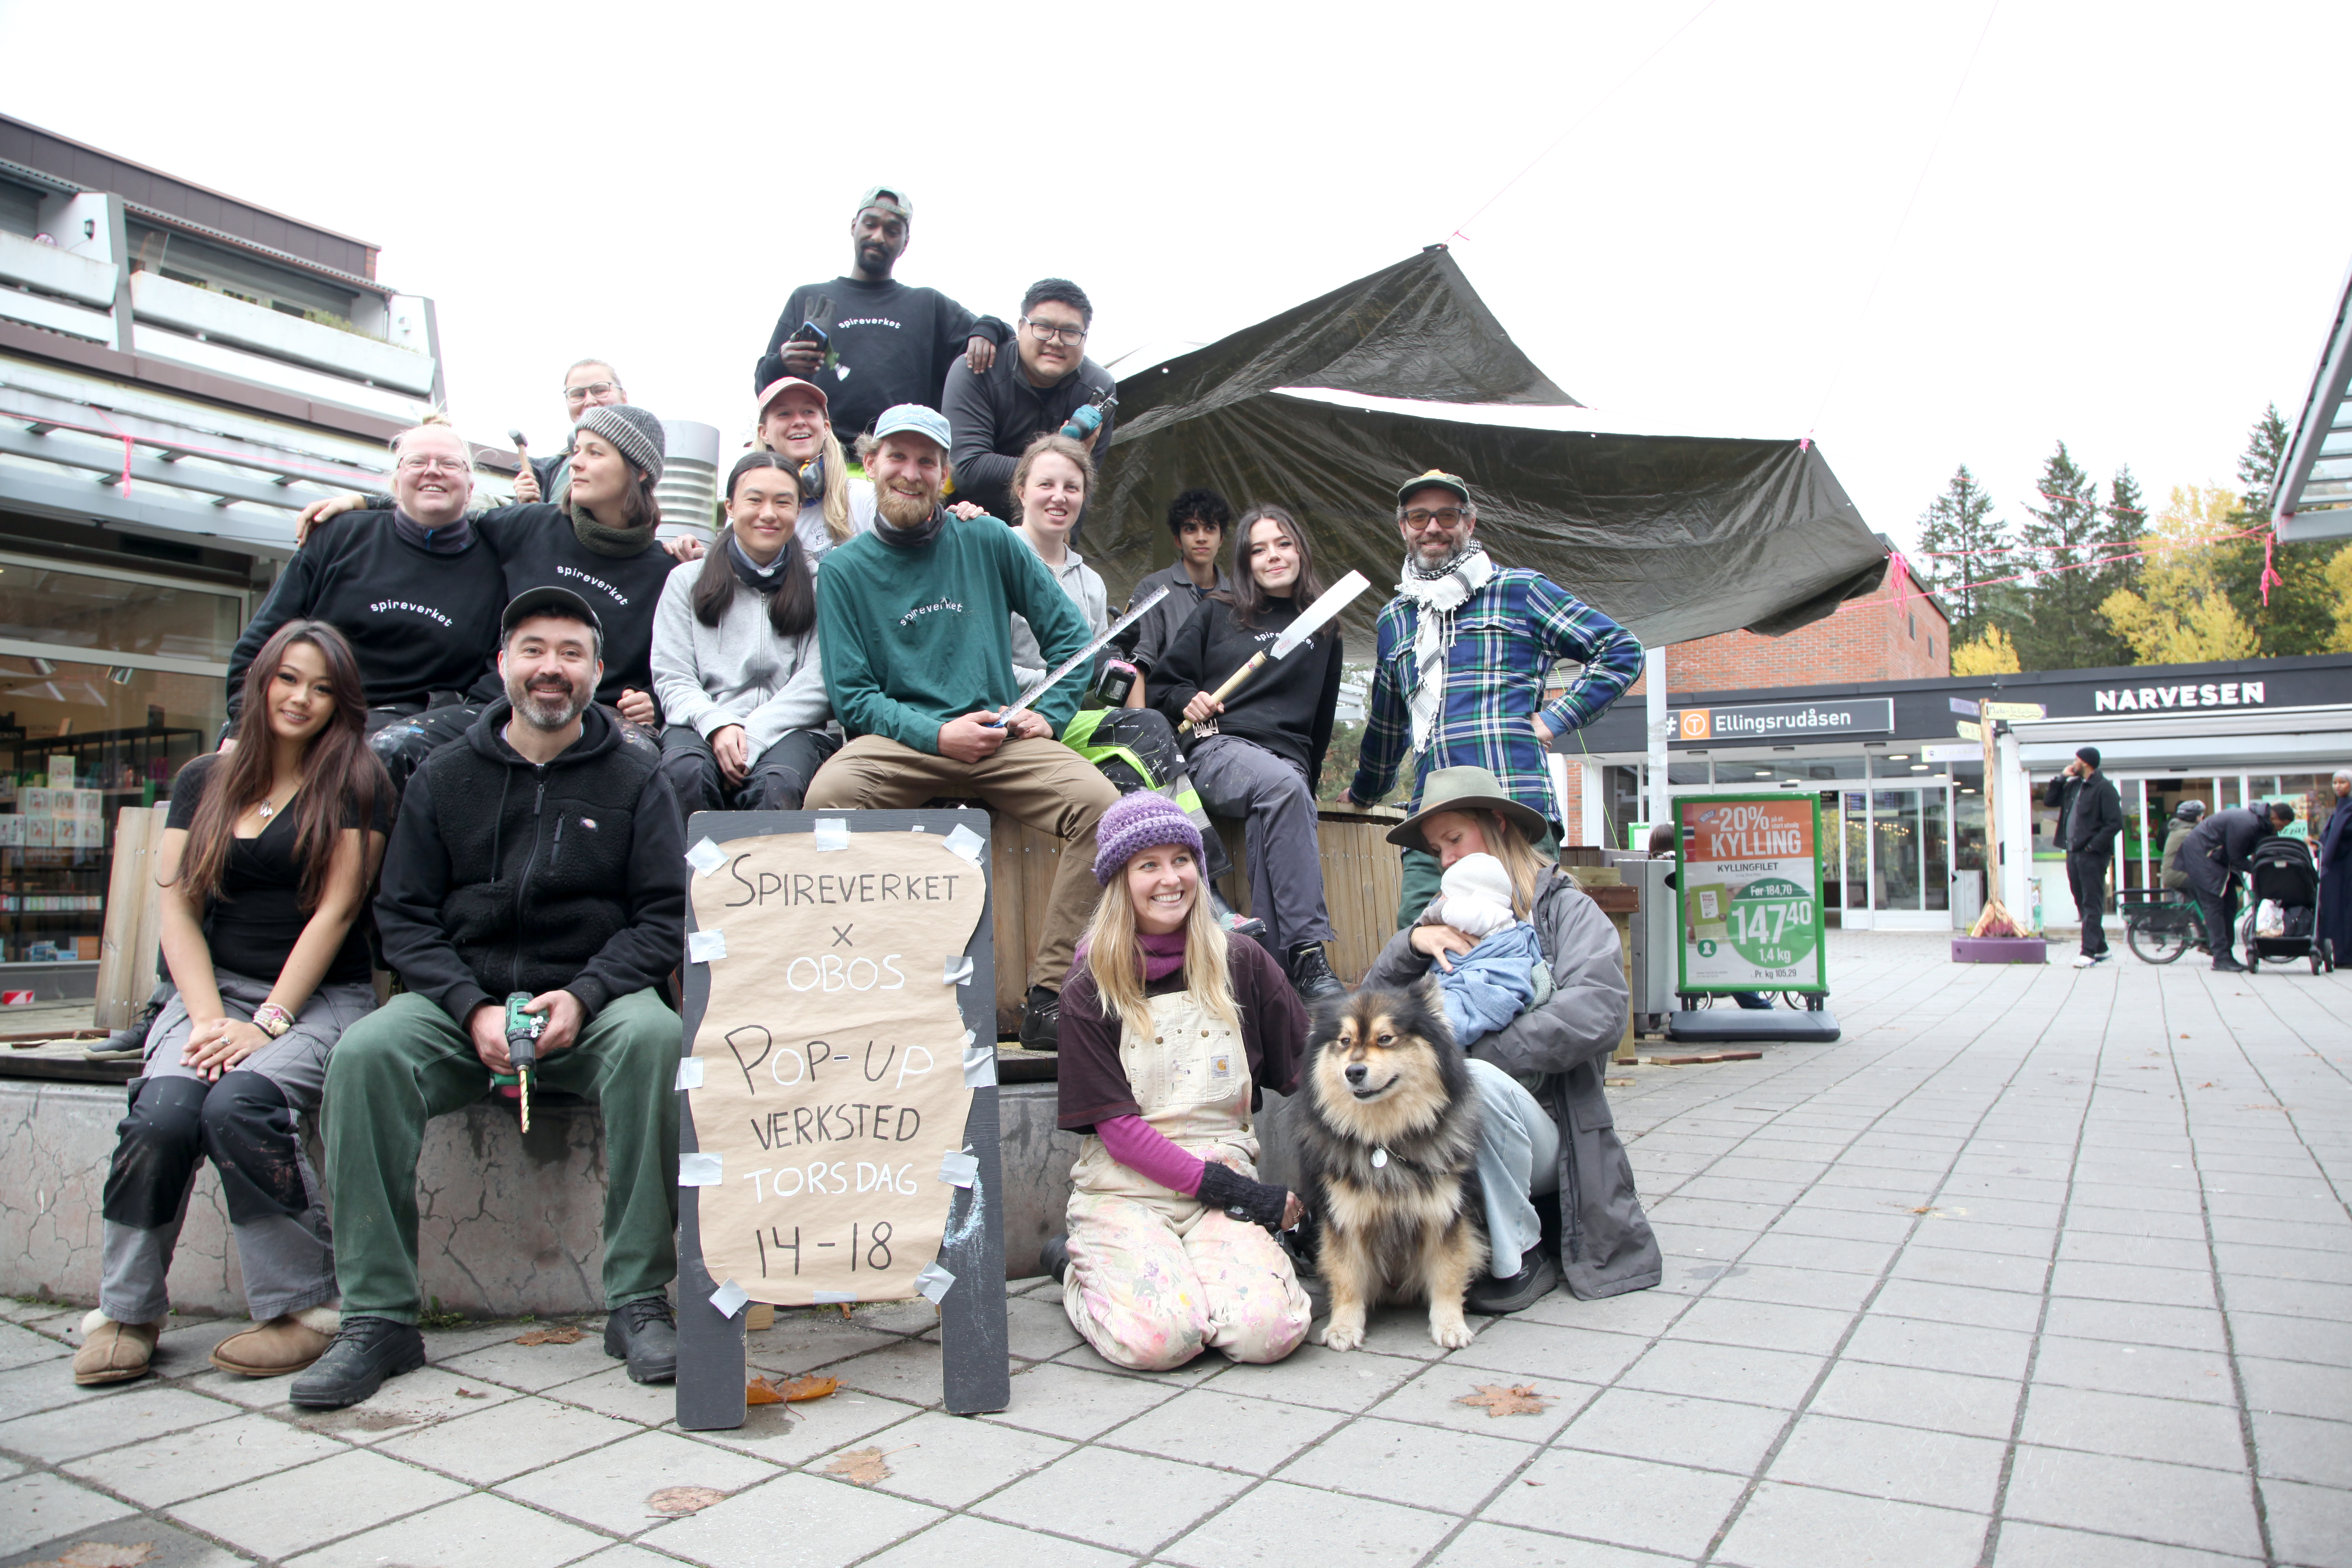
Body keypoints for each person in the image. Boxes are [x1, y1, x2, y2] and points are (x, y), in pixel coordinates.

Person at [291, 587, 686, 1408]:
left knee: (657, 1040)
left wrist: (585, 995)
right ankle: (379, 1317)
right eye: (535, 650)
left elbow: (662, 919)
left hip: (594, 1006)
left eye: (571, 653)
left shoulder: (639, 779)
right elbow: (402, 916)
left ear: (599, 671)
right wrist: (469, 1007)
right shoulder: (440, 777)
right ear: (502, 663)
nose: (552, 669)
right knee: (364, 1055)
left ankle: (639, 1301)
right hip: (457, 1006)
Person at [93, 415, 507, 1067]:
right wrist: (241, 729)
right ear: (392, 478)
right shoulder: (342, 536)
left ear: (471, 482)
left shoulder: (492, 556)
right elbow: (259, 648)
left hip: (413, 727)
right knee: (211, 786)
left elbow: (494, 674)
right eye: (417, 462)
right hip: (308, 707)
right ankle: (170, 999)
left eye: (449, 464)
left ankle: (379, 981)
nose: (433, 472)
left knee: (380, 765)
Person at [79, 622, 389, 1386]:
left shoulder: (360, 779)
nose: (302, 698)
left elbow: (338, 911)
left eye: (322, 687)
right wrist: (209, 1015)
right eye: (289, 678)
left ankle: (299, 1309)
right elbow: (178, 908)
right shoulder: (202, 780)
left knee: (241, 1103)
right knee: (164, 1112)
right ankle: (126, 1310)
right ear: (261, 681)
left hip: (315, 997)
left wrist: (266, 1024)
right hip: (210, 992)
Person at [803, 405, 1120, 1050]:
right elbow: (853, 697)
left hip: (999, 739)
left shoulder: (988, 541)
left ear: (947, 474)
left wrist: (1048, 716)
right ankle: (881, 988)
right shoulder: (843, 571)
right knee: (827, 801)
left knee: (1105, 811)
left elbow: (1074, 640)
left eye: (927, 461)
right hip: (900, 741)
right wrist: (935, 736)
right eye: (898, 457)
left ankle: (1052, 998)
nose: (911, 473)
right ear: (872, 463)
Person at [1360, 766, 1659, 1313]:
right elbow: (1366, 1016)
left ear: (1498, 826)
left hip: (1549, 1133)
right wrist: (1412, 942)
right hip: (1442, 1129)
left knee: (1476, 1082)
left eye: (1455, 840)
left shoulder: (1565, 909)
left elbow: (1599, 1011)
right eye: (1436, 849)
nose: (1446, 859)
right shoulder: (1443, 915)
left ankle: (1523, 1253)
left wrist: (1471, 1053)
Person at [1048, 792, 1313, 1371]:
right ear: (1120, 881)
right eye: (1148, 865)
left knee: (1267, 1335)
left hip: (1221, 1184)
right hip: (1126, 1192)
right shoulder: (1089, 989)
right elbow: (1118, 1133)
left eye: (1182, 860)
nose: (1170, 879)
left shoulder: (1241, 962)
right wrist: (1246, 1197)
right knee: (1161, 1341)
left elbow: (1314, 1071)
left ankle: (1193, 1272)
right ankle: (1080, 1268)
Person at [299, 404, 682, 771]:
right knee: (390, 749)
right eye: (575, 450)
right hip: (496, 707)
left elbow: (675, 669)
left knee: (643, 765)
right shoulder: (528, 525)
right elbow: (442, 513)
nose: (576, 463)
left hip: (593, 717)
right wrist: (365, 502)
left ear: (641, 471)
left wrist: (652, 702)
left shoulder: (668, 571)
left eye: (594, 453)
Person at [1344, 470, 1643, 928]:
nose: (1433, 528)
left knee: (1530, 945)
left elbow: (1620, 650)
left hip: (1515, 803)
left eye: (1447, 515)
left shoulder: (1519, 591)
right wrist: (1364, 793)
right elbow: (1387, 727)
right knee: (1423, 947)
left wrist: (1556, 718)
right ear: (1403, 527)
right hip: (1434, 822)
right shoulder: (1395, 620)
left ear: (1470, 522)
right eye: (1419, 517)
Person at [1149, 505, 1348, 1000]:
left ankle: (1271, 980)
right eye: (1259, 549)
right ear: (1244, 560)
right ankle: (1308, 953)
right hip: (1217, 748)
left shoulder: (1324, 626)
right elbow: (1163, 685)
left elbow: (1321, 723)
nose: (1273, 556)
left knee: (1284, 791)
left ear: (1300, 548)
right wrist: (1187, 700)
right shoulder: (1218, 611)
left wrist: (1307, 783)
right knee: (1281, 786)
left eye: (1283, 543)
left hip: (1284, 767)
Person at [752, 186, 1011, 449]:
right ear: (854, 226)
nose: (878, 237)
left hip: (904, 463)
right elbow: (764, 386)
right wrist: (784, 364)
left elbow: (1010, 339)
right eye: (870, 224)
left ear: (905, 242)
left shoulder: (928, 306)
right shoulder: (809, 298)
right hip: (822, 463)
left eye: (892, 231)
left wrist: (988, 328)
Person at [651, 452, 837, 813]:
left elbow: (822, 680)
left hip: (792, 729)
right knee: (685, 773)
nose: (768, 514)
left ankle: (765, 873)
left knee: (777, 784)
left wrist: (753, 734)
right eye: (755, 500)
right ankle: (687, 872)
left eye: (783, 502)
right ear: (731, 507)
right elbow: (672, 676)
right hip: (702, 721)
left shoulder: (821, 585)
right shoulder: (686, 580)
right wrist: (717, 725)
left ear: (799, 510)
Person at [943, 278, 1117, 521]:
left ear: (1085, 338)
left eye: (1070, 332)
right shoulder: (977, 368)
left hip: (1045, 532)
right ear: (1020, 327)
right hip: (968, 523)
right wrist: (1059, 462)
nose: (1055, 341)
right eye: (1043, 327)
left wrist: (1062, 552)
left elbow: (1080, 487)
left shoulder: (1098, 389)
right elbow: (969, 469)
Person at [752, 376, 875, 567]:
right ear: (764, 433)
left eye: (809, 412)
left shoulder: (864, 497)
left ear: (826, 428)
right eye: (784, 413)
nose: (799, 421)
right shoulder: (749, 512)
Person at [1127, 488, 1234, 696]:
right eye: (1191, 529)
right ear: (1178, 540)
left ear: (1221, 539)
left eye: (1210, 528)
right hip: (1166, 715)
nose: (1201, 538)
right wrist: (1143, 724)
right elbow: (1136, 664)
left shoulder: (1238, 597)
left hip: (1224, 714)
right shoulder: (1154, 589)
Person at [2180, 801, 2295, 973]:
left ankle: (2227, 955)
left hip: (2219, 859)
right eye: (2281, 826)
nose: (2281, 830)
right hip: (2203, 857)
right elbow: (2236, 857)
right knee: (2215, 906)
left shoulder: (2263, 823)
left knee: (2231, 905)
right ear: (2274, 817)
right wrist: (2260, 870)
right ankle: (2220, 958)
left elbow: (2268, 849)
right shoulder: (2247, 823)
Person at [2044, 745, 2122, 968]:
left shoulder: (2104, 788)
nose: (2073, 763)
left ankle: (2088, 953)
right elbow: (2050, 801)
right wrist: (2061, 778)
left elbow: (2115, 823)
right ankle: (2102, 949)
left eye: (2076, 760)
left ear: (2086, 763)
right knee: (2081, 900)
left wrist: (2093, 847)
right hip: (2073, 852)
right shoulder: (2074, 786)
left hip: (2092, 855)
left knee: (2092, 902)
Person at [512, 359, 627, 504]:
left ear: (624, 397)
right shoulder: (550, 472)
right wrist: (523, 507)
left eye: (600, 390)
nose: (590, 401)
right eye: (578, 394)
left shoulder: (648, 459)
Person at [2319, 771, 2351, 965]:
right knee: (2335, 910)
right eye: (2335, 783)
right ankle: (2339, 953)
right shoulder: (2341, 808)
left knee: (2346, 910)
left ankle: (2346, 955)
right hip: (2337, 869)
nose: (2338, 786)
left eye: (2343, 783)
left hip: (2346, 868)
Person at [2159, 799, 2207, 894]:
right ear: (2197, 818)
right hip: (2178, 875)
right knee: (2213, 882)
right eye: (2201, 815)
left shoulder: (2180, 830)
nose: (2203, 818)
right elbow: (2206, 850)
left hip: (2175, 874)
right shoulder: (2187, 833)